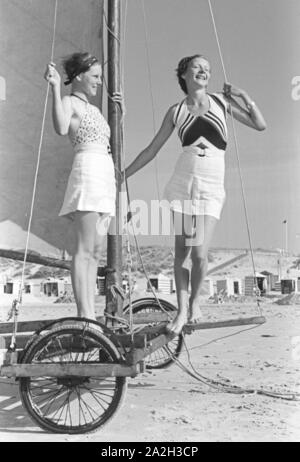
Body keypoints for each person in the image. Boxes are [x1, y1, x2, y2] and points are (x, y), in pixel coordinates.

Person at [125, 54, 266, 334]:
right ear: (184, 74)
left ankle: (195, 301)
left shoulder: (221, 103)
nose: (204, 71)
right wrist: (124, 173)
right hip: (182, 185)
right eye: (197, 67)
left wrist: (244, 96)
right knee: (182, 253)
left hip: (211, 188)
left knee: (200, 254)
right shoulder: (175, 111)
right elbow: (152, 150)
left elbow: (259, 124)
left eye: (207, 69)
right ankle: (181, 310)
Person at [44, 52, 116, 320]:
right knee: (83, 249)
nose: (99, 82)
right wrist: (54, 86)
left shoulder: (95, 110)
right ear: (79, 76)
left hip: (105, 177)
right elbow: (61, 128)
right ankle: (84, 314)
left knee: (96, 250)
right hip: (87, 173)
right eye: (96, 76)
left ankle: (91, 312)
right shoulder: (69, 101)